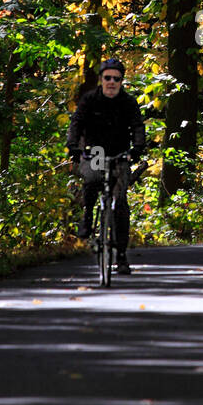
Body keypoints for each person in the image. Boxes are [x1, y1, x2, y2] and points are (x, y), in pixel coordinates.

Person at [67, 57, 146, 274]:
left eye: (116, 79)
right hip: (95, 153)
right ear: (101, 79)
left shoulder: (128, 103)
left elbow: (138, 127)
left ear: (122, 81)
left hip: (120, 154)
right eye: (107, 78)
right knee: (92, 179)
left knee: (120, 202)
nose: (112, 82)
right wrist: (73, 146)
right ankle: (88, 216)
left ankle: (120, 255)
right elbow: (76, 123)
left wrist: (137, 148)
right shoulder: (89, 100)